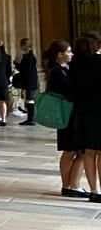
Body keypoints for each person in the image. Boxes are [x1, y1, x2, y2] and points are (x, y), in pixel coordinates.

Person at [45, 41, 83, 197]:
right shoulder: (57, 71)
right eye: (68, 51)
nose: (72, 54)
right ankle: (67, 185)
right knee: (69, 151)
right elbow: (68, 92)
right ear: (60, 54)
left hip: (69, 115)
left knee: (74, 151)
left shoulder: (65, 69)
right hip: (66, 115)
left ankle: (70, 184)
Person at [66, 36, 101, 201]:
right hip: (99, 110)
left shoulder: (74, 66)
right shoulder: (99, 61)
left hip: (82, 112)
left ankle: (94, 190)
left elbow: (71, 91)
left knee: (88, 152)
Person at [16, 38, 40, 124]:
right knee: (29, 99)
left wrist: (17, 63)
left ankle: (31, 119)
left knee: (30, 99)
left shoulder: (29, 55)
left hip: (30, 80)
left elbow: (24, 68)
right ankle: (30, 118)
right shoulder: (30, 54)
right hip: (30, 79)